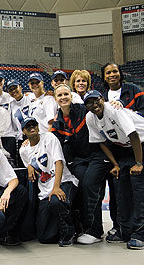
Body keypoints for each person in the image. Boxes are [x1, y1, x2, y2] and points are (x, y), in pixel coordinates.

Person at [51, 84, 112, 244]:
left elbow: (102, 110)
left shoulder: (83, 109)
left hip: (98, 154)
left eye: (66, 94)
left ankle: (95, 230)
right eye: (60, 95)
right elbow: (52, 143)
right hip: (79, 160)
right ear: (55, 99)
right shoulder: (57, 122)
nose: (63, 97)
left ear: (71, 96)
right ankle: (84, 227)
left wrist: (114, 104)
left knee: (90, 185)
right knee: (81, 187)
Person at [84, 89, 144, 250]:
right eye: (89, 102)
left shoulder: (114, 110)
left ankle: (141, 233)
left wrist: (139, 162)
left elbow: (134, 135)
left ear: (102, 99)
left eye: (96, 100)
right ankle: (125, 230)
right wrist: (115, 164)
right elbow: (101, 142)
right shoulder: (90, 117)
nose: (93, 105)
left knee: (138, 187)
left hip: (140, 144)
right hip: (126, 149)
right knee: (121, 189)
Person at [19, 117, 79, 247]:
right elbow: (32, 167)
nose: (31, 128)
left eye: (34, 125)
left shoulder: (49, 138)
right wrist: (30, 166)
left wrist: (56, 187)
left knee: (57, 200)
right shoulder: (23, 150)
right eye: (27, 127)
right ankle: (67, 220)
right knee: (45, 237)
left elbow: (59, 162)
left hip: (64, 182)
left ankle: (70, 231)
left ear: (38, 127)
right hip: (45, 190)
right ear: (23, 131)